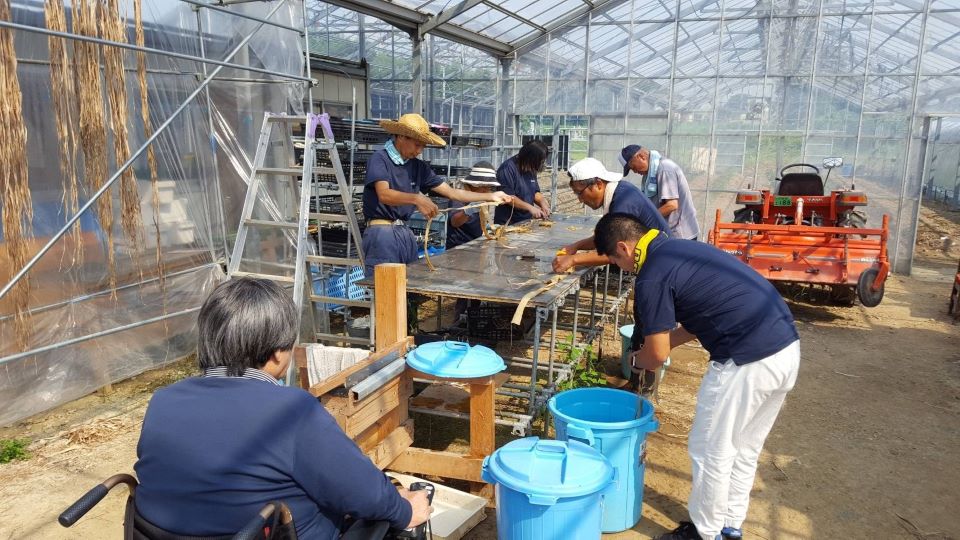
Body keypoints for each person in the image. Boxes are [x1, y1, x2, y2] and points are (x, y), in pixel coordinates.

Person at [134, 278, 432, 539]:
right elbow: (361, 492)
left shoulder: (163, 400)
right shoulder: (290, 411)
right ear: (278, 354)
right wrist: (405, 510)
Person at [594, 213, 800, 540]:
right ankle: (729, 526)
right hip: (785, 349)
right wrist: (653, 348)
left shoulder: (652, 275)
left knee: (710, 450)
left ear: (624, 247)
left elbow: (657, 355)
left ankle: (706, 534)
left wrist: (636, 359)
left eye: (616, 260)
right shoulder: (679, 250)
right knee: (743, 448)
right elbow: (694, 321)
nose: (622, 268)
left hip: (746, 360)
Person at [362, 113, 510, 276]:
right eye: (417, 145)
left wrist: (490, 197)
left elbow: (451, 192)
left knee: (410, 285)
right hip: (382, 232)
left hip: (404, 230)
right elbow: (384, 195)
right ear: (402, 137)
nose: (419, 151)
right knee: (386, 287)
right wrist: (417, 198)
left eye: (423, 147)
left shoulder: (418, 167)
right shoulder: (380, 159)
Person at [552, 157, 669, 273]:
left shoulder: (623, 203)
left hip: (662, 264)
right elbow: (607, 238)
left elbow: (613, 252)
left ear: (598, 184)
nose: (580, 200)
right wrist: (576, 246)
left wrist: (573, 259)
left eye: (580, 193)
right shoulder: (621, 191)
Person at [620, 144, 700, 240]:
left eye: (633, 167)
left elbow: (672, 205)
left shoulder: (664, 169)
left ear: (641, 156)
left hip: (681, 235)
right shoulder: (649, 174)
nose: (634, 171)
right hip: (671, 233)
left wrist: (645, 219)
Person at [494, 140, 551, 225]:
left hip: (526, 220)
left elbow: (534, 192)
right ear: (531, 159)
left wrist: (542, 202)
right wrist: (530, 207)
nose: (542, 164)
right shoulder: (507, 169)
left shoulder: (531, 168)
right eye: (541, 161)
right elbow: (507, 197)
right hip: (508, 222)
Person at [446, 161, 500, 250]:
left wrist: (489, 227)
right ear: (474, 184)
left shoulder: (484, 195)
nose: (486, 190)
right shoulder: (459, 195)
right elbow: (454, 222)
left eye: (489, 187)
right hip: (458, 247)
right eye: (483, 186)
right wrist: (469, 210)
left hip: (475, 243)